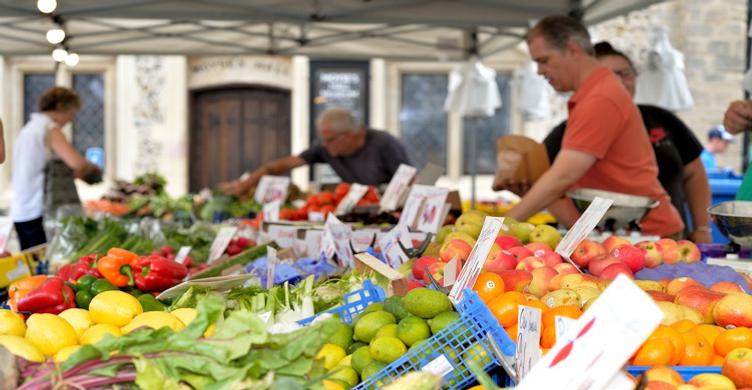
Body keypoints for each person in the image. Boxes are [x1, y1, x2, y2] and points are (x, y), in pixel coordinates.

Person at [499, 15, 684, 238]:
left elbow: (562, 177)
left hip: (646, 236)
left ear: (572, 49)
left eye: (544, 60)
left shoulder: (601, 98)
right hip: (621, 232)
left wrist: (500, 228)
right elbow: (572, 184)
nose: (539, 71)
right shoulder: (595, 93)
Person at [543, 42, 711, 242]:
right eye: (610, 75)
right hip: (603, 240)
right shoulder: (571, 129)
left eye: (626, 73)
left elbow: (695, 174)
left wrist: (702, 227)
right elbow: (550, 181)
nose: (619, 82)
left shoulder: (661, 118)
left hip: (668, 235)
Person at [220, 107, 411, 196]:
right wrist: (244, 185)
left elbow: (411, 181)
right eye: (322, 140)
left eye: (330, 140)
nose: (325, 147)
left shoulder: (384, 143)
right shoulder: (324, 148)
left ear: (349, 135)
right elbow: (281, 165)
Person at [10, 87, 101, 250]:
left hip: (22, 207)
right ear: (61, 107)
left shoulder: (30, 128)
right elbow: (76, 163)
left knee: (31, 266)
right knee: (42, 266)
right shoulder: (49, 128)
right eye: (72, 113)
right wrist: (91, 168)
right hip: (37, 209)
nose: (71, 120)